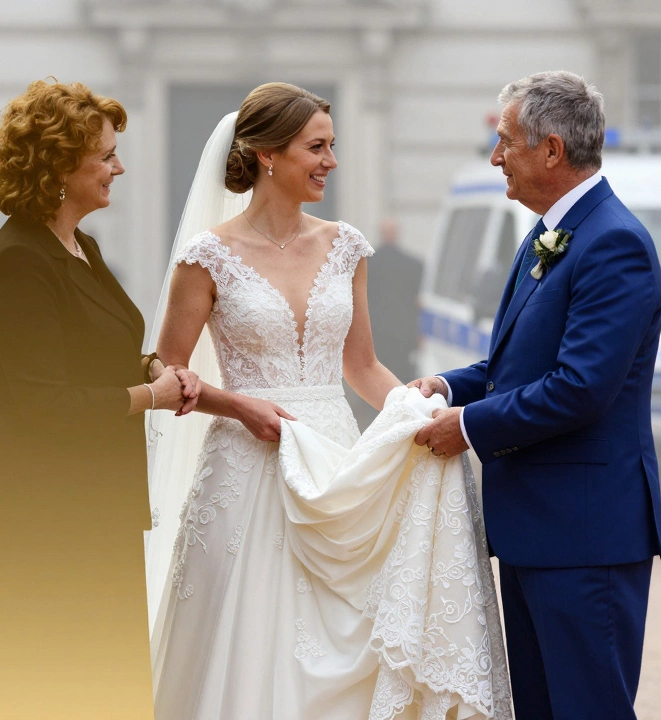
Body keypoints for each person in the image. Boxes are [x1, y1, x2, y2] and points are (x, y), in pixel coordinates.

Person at [146, 83, 510, 719]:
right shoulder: (206, 257)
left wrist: (415, 414)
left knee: (344, 630)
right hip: (244, 468)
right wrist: (240, 407)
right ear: (267, 154)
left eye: (332, 146)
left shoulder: (346, 247)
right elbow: (167, 372)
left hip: (335, 460)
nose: (331, 162)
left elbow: (361, 366)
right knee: (248, 638)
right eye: (316, 147)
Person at [412, 71, 661, 720]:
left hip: (586, 535)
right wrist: (447, 385)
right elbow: (520, 366)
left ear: (551, 150)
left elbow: (580, 388)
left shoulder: (614, 243)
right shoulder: (550, 231)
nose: (495, 156)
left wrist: (468, 426)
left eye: (506, 141)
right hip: (537, 531)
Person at [0, 79, 198, 719]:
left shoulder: (80, 247)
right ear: (60, 166)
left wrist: (152, 366)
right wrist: (150, 394)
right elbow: (43, 404)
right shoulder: (18, 260)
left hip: (94, 499)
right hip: (40, 511)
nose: (118, 168)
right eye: (106, 156)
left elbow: (93, 348)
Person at [366, 217, 424, 381]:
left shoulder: (367, 263)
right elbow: (417, 301)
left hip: (375, 329)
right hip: (403, 329)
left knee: (376, 374)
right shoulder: (414, 265)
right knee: (401, 375)